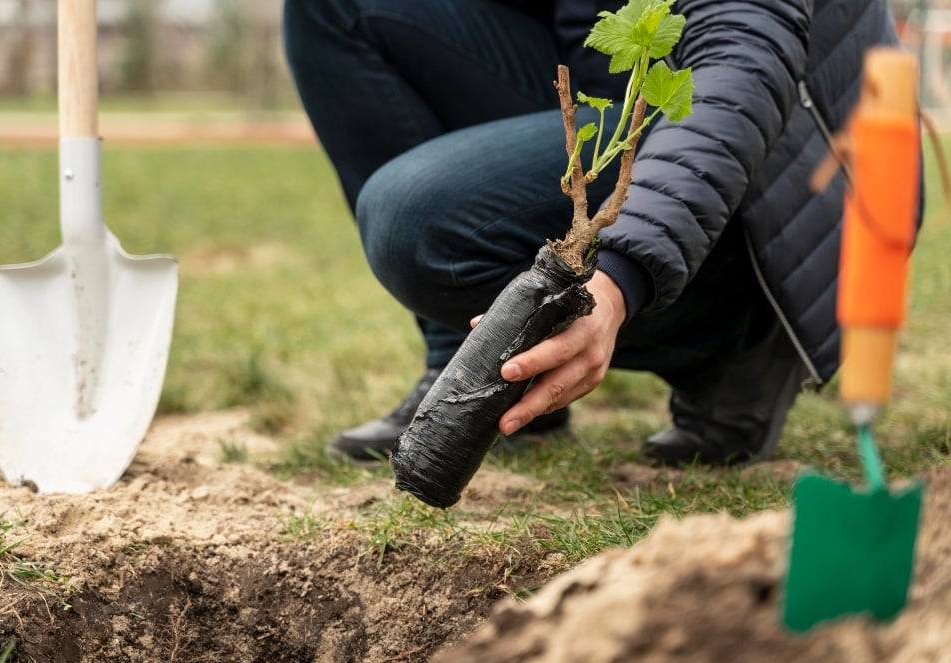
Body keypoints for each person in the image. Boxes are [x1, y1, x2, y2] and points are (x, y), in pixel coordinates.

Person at [282, 0, 920, 465]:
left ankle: (736, 342)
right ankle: (482, 365)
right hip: (616, 95)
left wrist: (617, 281)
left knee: (415, 218)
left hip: (778, 173)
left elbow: (739, 64)